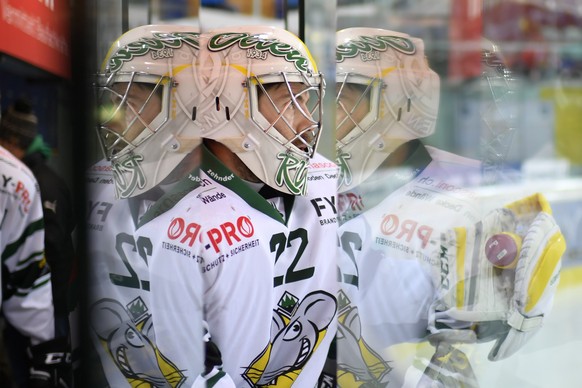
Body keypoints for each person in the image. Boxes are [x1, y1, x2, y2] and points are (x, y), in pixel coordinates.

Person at [333, 27, 565, 387]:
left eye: (343, 94)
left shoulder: (475, 205)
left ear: (399, 103)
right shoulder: (308, 179)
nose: (321, 110)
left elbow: (458, 369)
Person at [139, 25, 339, 387]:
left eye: (307, 101)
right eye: (288, 100)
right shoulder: (171, 214)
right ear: (228, 106)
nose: (307, 120)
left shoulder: (328, 179)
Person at [87, 24, 207, 387]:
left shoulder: (238, 200)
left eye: (130, 103)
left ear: (185, 109)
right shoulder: (98, 182)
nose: (113, 120)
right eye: (113, 102)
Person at [0, 99, 74, 387]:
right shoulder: (26, 180)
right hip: (37, 303)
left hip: (46, 303)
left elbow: (53, 247)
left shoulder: (38, 183)